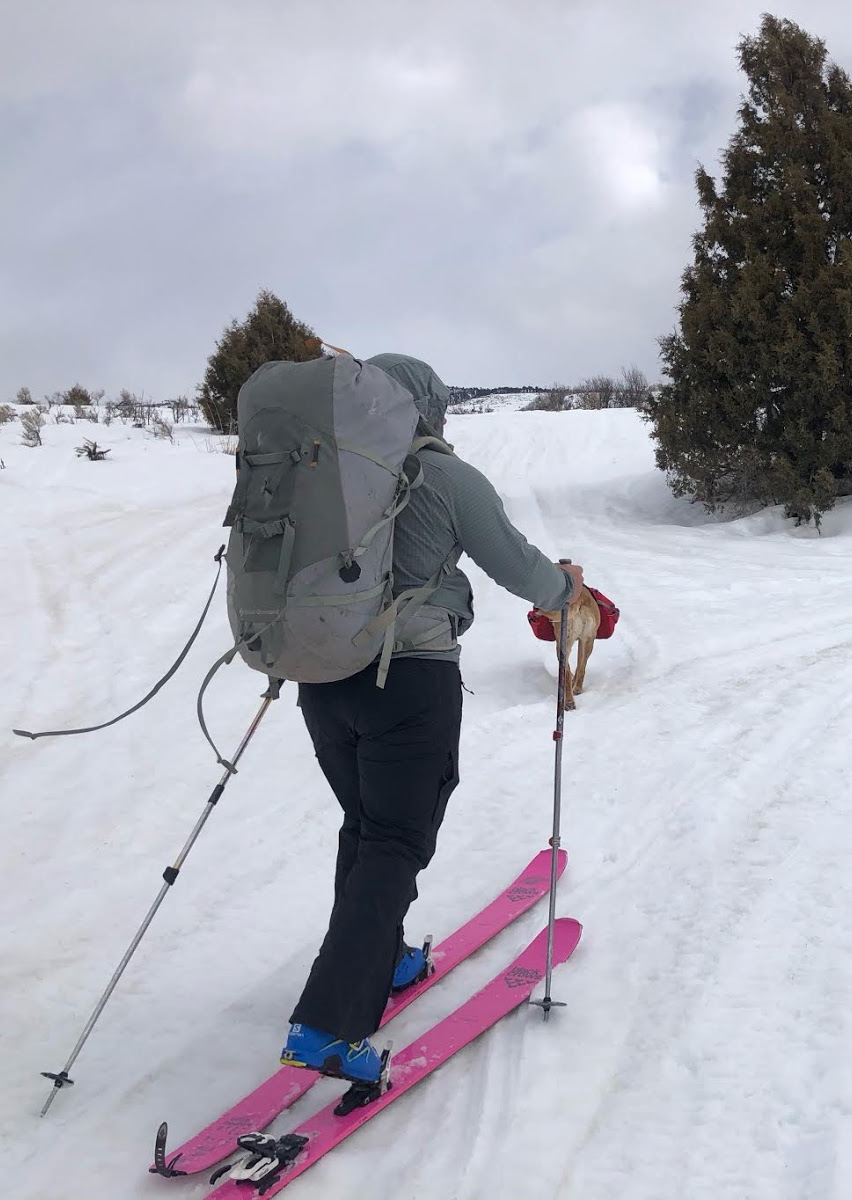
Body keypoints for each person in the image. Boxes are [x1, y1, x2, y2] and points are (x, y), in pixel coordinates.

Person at [277, 352, 583, 1084]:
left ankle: (379, 961)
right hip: (407, 682)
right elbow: (518, 567)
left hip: (322, 682)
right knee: (396, 840)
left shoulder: (320, 476)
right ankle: (326, 1023)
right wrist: (564, 587)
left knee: (365, 825)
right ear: (428, 409)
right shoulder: (443, 477)